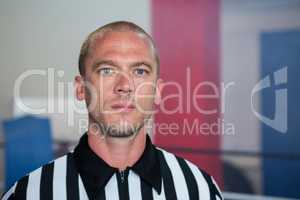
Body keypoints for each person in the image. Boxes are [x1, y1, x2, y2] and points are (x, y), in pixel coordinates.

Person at [2, 21, 223, 200]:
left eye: (140, 71)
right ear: (81, 89)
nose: (124, 85)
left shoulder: (200, 190)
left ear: (157, 91)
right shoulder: (29, 193)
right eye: (107, 70)